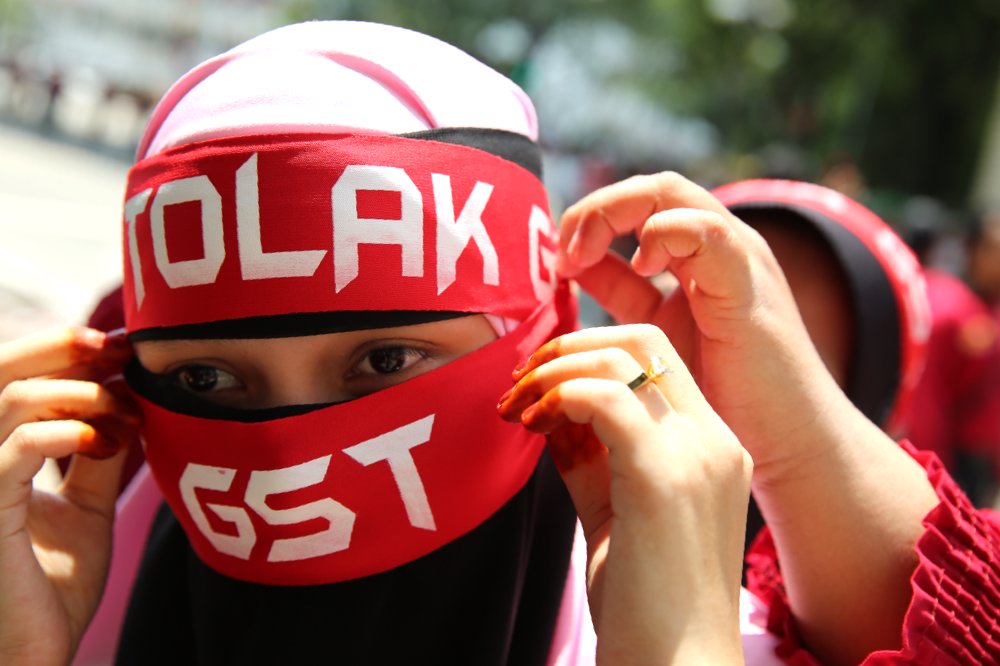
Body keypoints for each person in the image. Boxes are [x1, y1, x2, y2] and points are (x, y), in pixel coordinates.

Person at [0, 20, 997, 666]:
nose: (294, 459)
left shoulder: (694, 635)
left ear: (545, 341)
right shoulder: (52, 619)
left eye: (387, 362)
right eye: (209, 378)